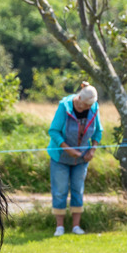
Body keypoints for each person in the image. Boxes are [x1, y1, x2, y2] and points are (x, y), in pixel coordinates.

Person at [47, 83, 103, 236]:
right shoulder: (64, 107)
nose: (86, 109)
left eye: (89, 106)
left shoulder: (93, 108)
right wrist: (67, 149)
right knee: (60, 191)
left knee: (78, 190)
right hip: (61, 158)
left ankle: (76, 227)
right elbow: (54, 131)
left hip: (82, 159)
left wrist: (92, 149)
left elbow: (98, 132)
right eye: (85, 105)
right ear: (79, 99)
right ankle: (59, 227)